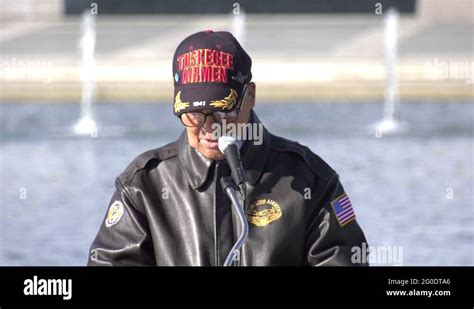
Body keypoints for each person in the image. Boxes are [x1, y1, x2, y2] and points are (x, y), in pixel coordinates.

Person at [87, 30, 368, 266]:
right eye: (195, 114)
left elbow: (343, 259)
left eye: (224, 113)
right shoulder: (143, 185)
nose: (211, 128)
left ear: (251, 97)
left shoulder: (310, 178)